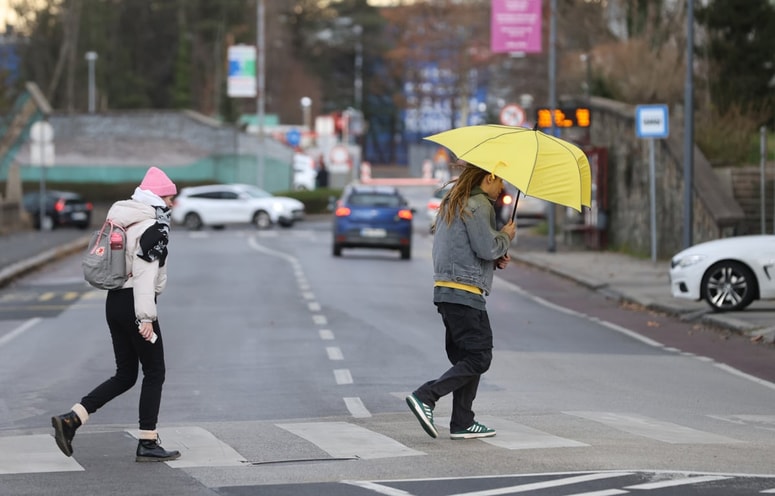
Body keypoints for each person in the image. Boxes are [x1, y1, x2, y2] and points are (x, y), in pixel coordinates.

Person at [51, 166, 181, 462]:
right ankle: (148, 441)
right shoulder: (153, 227)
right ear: (157, 198)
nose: (172, 203)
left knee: (125, 374)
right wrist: (146, 318)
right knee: (155, 371)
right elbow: (146, 274)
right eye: (169, 197)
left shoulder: (124, 218)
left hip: (115, 302)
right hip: (136, 303)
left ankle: (72, 419)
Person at [406, 162, 516, 440]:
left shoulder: (454, 202)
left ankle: (463, 421)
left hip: (447, 290)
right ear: (489, 176)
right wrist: (505, 237)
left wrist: (495, 258)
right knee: (480, 356)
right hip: (465, 292)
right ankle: (426, 396)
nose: (502, 187)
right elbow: (487, 246)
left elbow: (469, 248)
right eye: (500, 180)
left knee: (468, 357)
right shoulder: (480, 205)